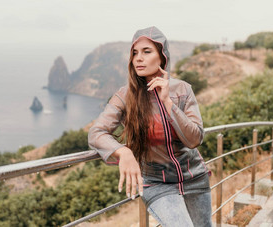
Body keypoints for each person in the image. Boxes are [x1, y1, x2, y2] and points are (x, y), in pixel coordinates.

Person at [88, 26, 212, 227]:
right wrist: (123, 152)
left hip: (195, 177)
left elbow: (195, 139)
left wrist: (168, 103)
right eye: (135, 53)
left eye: (147, 52)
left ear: (162, 57)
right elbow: (96, 132)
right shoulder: (125, 95)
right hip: (157, 183)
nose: (138, 58)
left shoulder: (182, 90)